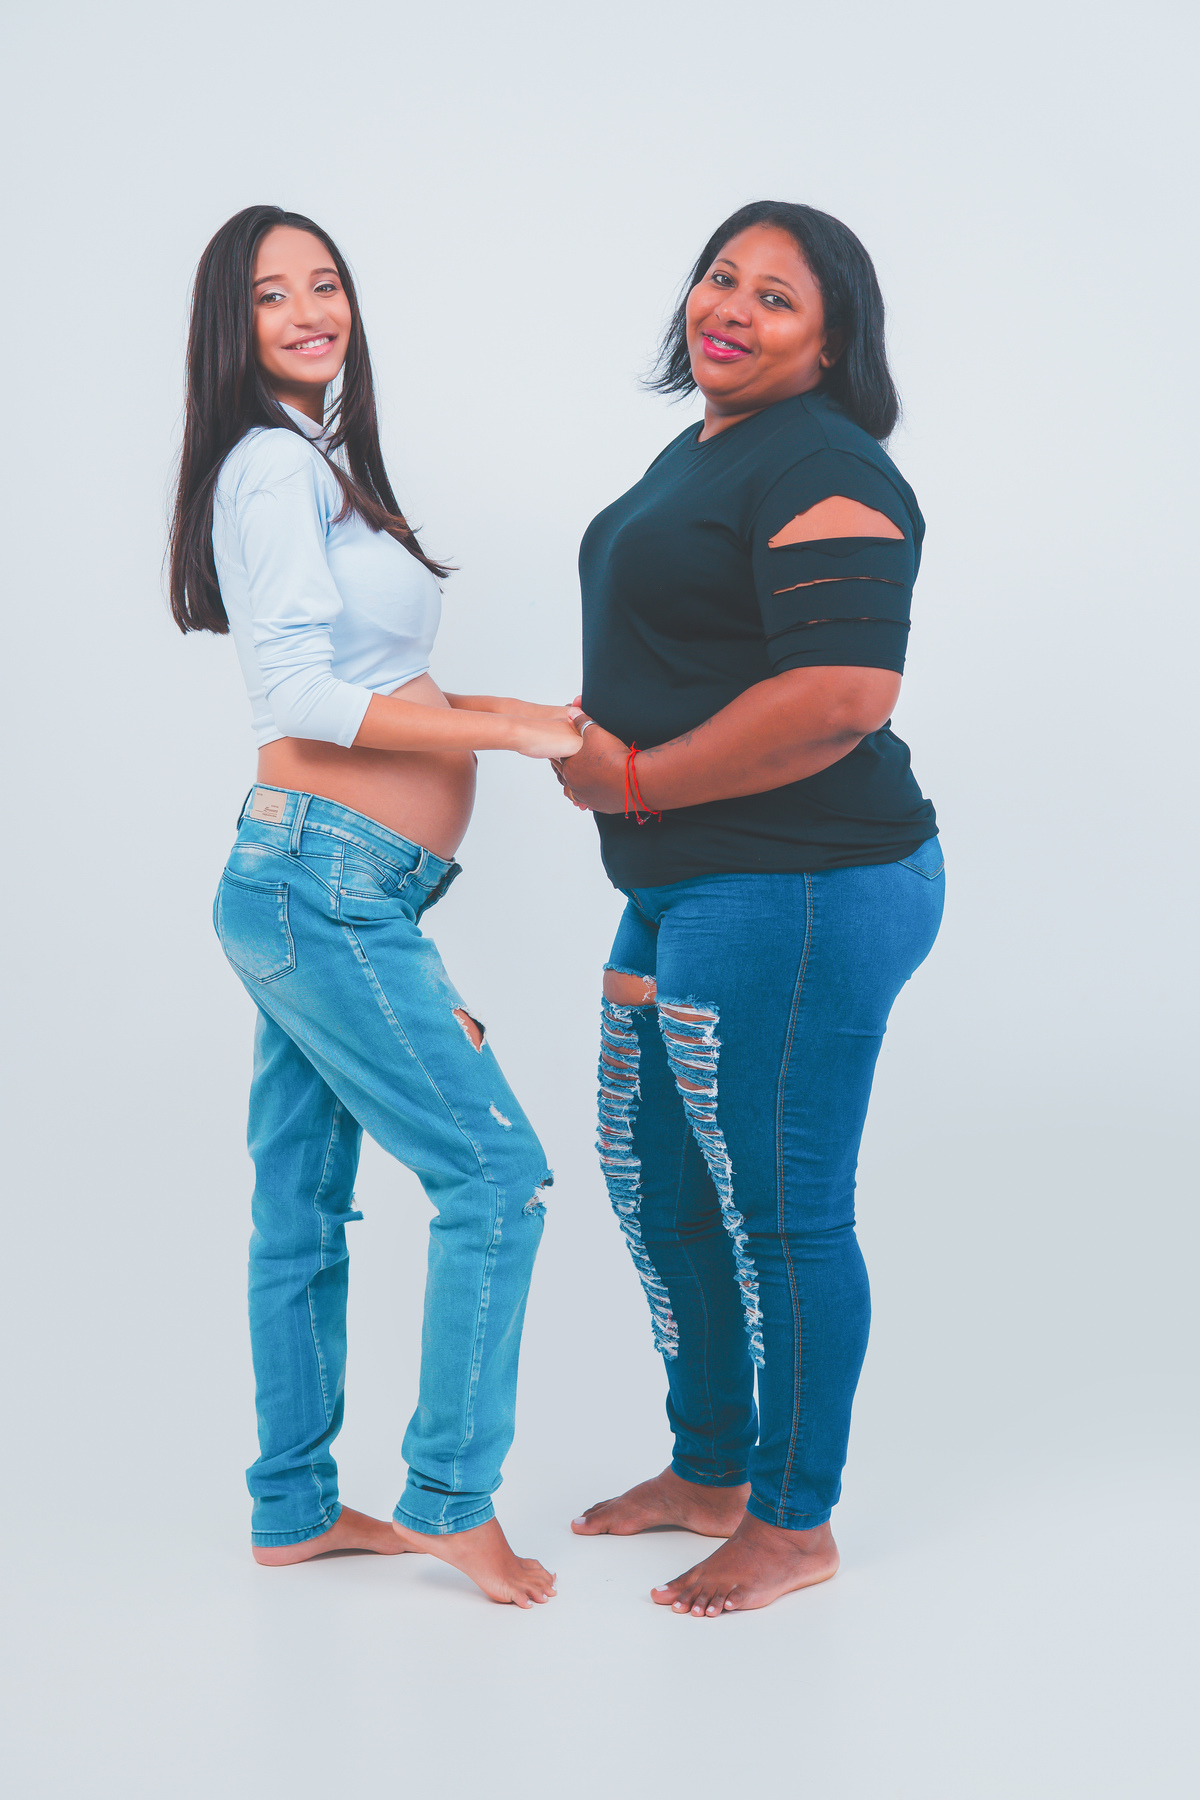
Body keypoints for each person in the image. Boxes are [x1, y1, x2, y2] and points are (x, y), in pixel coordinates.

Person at [169, 205, 581, 1606]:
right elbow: (293, 693)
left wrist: (522, 711)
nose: (309, 311)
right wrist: (498, 739)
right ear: (231, 325)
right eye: (271, 294)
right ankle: (451, 1500)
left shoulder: (313, 461)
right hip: (324, 888)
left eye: (326, 283)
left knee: (300, 1209)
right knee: (496, 1178)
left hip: (315, 882)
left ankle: (292, 1510)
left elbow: (386, 681)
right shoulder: (270, 466)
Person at [557, 201, 944, 1616]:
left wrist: (635, 778)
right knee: (659, 1187)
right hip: (687, 881)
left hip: (802, 884)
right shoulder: (713, 446)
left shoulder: (825, 462)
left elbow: (842, 695)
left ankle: (792, 1521)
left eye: (776, 297)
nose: (730, 307)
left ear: (832, 344)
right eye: (721, 277)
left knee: (781, 1213)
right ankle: (712, 1468)